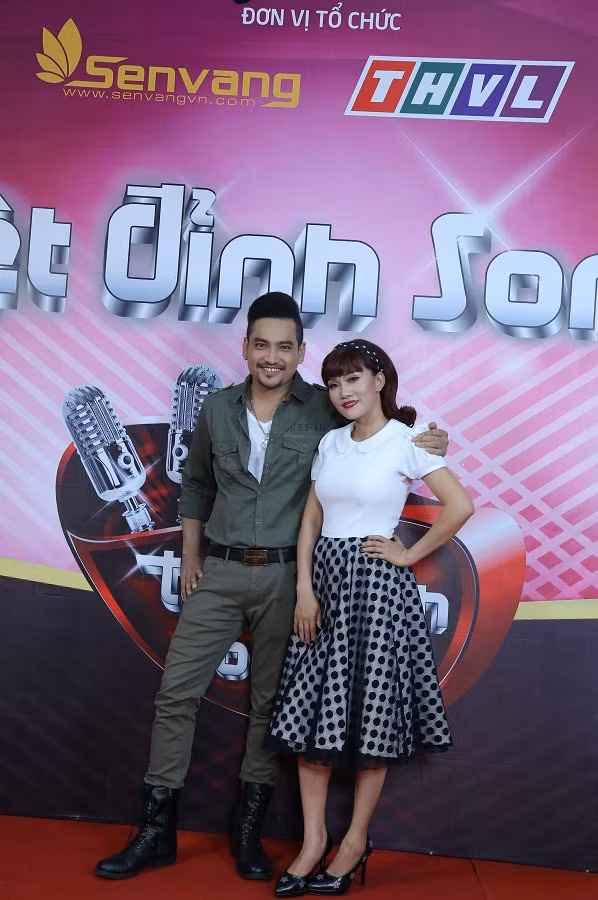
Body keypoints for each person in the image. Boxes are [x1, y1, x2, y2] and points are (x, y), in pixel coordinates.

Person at [94, 294, 449, 882]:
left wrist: (431, 439)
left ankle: (248, 833)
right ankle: (156, 832)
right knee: (175, 693)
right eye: (262, 344)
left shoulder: (325, 407)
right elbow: (196, 486)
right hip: (221, 569)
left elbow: (379, 429)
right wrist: (190, 555)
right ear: (245, 347)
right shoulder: (215, 408)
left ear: (301, 352)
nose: (272, 357)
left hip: (290, 576)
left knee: (268, 705)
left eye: (285, 346)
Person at [268, 339, 474, 897]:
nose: (343, 392)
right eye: (335, 383)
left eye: (353, 379)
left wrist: (408, 555)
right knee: (310, 713)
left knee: (371, 716)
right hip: (324, 585)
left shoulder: (408, 441)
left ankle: (355, 841)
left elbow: (460, 506)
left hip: (378, 592)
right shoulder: (331, 442)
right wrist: (305, 587)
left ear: (379, 381)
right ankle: (313, 842)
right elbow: (312, 518)